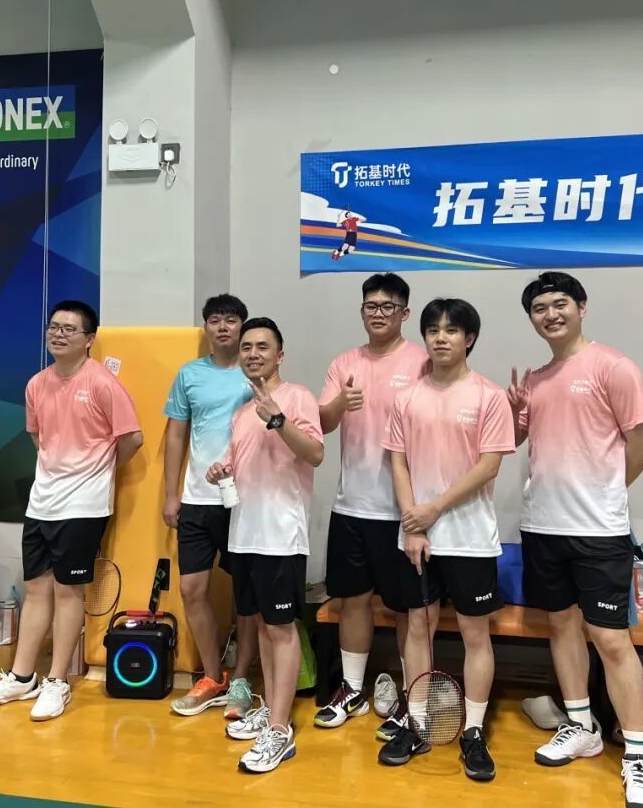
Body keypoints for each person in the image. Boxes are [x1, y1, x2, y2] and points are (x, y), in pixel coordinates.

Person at [508, 272, 643, 808]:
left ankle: (638, 757)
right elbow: (518, 440)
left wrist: (608, 492)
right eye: (539, 308)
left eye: (560, 304)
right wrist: (515, 411)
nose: (550, 314)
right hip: (542, 526)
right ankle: (581, 726)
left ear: (581, 307)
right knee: (561, 627)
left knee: (611, 640)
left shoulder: (613, 367)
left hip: (598, 531)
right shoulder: (537, 378)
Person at [0, 300, 143, 722]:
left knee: (69, 592)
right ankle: (21, 677)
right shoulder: (36, 384)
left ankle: (57, 681)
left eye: (69, 328)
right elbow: (39, 437)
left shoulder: (102, 383)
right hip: (41, 502)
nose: (58, 334)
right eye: (54, 327)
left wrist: (98, 470)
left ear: (89, 339)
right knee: (36, 589)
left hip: (83, 505)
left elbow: (132, 439)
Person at [377, 298, 514, 780]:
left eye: (451, 330)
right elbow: (398, 462)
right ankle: (415, 723)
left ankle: (473, 731)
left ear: (468, 338)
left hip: (470, 538)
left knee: (476, 634)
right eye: (433, 329)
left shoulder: (489, 396)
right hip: (418, 538)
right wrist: (414, 525)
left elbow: (489, 465)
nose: (441, 337)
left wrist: (434, 509)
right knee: (418, 627)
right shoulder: (407, 397)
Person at [205, 317, 323, 774]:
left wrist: (277, 419)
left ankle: (279, 730)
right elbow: (237, 462)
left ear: (280, 355)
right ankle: (273, 709)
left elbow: (315, 453)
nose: (253, 354)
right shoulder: (240, 412)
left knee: (281, 629)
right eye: (247, 347)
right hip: (244, 534)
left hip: (281, 537)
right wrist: (220, 470)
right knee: (261, 626)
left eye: (262, 347)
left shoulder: (297, 398)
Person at [314, 273, 427, 737]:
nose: (378, 313)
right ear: (362, 312)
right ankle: (353, 689)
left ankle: (411, 697)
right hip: (351, 507)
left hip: (403, 510)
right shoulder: (345, 362)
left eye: (388, 306)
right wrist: (340, 403)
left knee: (407, 609)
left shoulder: (422, 361)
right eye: (370, 306)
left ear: (404, 313)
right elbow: (322, 422)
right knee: (353, 601)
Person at [164, 294, 259, 719]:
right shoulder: (190, 374)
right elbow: (175, 435)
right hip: (197, 500)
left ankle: (240, 679)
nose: (223, 327)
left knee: (247, 594)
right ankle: (211, 676)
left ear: (242, 326)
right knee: (191, 589)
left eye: (231, 320)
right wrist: (171, 494)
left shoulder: (255, 371)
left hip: (244, 499)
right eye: (215, 320)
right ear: (206, 328)